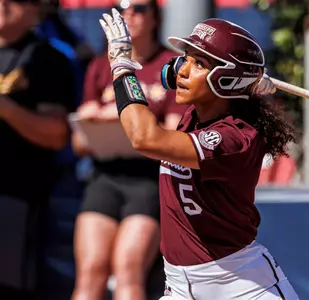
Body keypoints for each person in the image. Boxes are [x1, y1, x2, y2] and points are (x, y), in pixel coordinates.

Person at [99, 8, 300, 299]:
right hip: (180, 287)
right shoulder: (196, 114)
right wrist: (246, 83)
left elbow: (144, 138)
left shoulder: (236, 138)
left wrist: (121, 66)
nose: (181, 69)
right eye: (186, 59)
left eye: (199, 64)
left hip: (241, 287)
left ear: (226, 80)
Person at [71, 1, 188, 300]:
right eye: (120, 9)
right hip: (105, 174)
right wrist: (89, 122)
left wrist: (121, 115)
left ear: (155, 17)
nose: (128, 16)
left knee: (128, 267)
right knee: (91, 270)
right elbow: (79, 144)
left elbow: (176, 136)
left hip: (149, 178)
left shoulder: (171, 65)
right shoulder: (99, 66)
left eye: (139, 8)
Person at [0, 0, 76, 298]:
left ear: (36, 9)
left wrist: (6, 109)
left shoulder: (48, 58)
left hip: (19, 196)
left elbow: (57, 135)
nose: (4, 4)